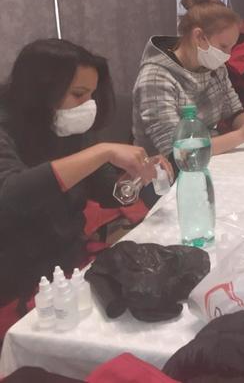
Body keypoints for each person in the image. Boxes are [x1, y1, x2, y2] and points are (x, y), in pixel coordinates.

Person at [0, 39, 160, 337]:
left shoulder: (67, 125)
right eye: (78, 94)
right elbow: (12, 195)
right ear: (41, 89)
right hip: (16, 273)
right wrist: (100, 152)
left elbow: (104, 189)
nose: (88, 104)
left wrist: (135, 179)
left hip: (67, 258)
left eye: (91, 94)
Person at [132, 0, 244, 159]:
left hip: (208, 155)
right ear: (199, 37)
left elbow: (233, 112)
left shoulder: (215, 67)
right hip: (165, 167)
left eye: (231, 47)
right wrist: (242, 135)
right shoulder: (156, 77)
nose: (228, 55)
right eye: (224, 46)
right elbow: (177, 151)